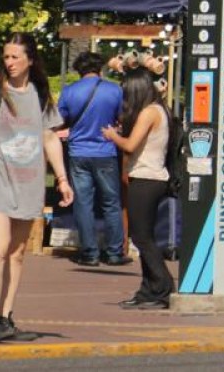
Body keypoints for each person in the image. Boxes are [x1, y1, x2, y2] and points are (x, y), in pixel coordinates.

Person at [0, 34, 75, 344]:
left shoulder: (39, 95)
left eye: (15, 57)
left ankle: (6, 317)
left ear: (30, 60)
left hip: (28, 185)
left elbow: (50, 138)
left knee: (18, 253)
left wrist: (62, 179)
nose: (9, 62)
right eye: (6, 57)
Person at [102, 68, 174, 309]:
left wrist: (113, 136)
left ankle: (163, 287)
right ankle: (149, 289)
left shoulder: (149, 112)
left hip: (146, 177)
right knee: (144, 236)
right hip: (151, 177)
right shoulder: (160, 109)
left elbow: (131, 146)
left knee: (141, 237)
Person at [56, 50, 126, 267]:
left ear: (79, 70)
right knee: (111, 202)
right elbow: (121, 119)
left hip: (78, 152)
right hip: (106, 151)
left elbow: (60, 120)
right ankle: (114, 252)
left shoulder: (69, 92)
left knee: (83, 203)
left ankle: (89, 252)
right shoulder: (114, 90)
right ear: (100, 68)